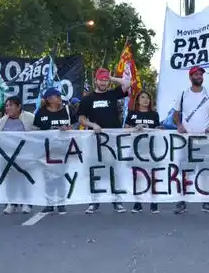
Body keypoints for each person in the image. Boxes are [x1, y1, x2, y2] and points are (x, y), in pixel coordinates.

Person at [78, 68, 131, 214]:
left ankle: (117, 200)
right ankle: (94, 201)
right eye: (101, 79)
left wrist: (112, 77)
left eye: (105, 80)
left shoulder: (113, 94)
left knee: (115, 170)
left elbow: (128, 83)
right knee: (95, 170)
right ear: (96, 80)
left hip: (113, 140)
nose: (103, 82)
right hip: (95, 140)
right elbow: (81, 118)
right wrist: (92, 125)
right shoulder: (87, 99)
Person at [172, 66, 209, 214]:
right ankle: (182, 201)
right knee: (185, 170)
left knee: (205, 170)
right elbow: (176, 113)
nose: (199, 76)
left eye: (201, 74)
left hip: (204, 140)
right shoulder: (183, 94)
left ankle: (206, 201)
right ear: (190, 77)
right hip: (187, 140)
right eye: (196, 74)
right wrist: (179, 125)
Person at [34, 87, 75, 215]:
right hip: (47, 149)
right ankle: (50, 203)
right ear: (48, 99)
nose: (56, 99)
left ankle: (61, 203)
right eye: (52, 97)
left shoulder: (68, 110)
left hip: (63, 149)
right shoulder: (41, 112)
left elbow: (76, 125)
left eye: (57, 96)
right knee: (48, 177)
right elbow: (35, 130)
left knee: (61, 176)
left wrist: (68, 128)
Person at [0, 96, 37, 215]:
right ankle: (11, 203)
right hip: (8, 156)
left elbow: (40, 133)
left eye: (11, 105)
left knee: (25, 179)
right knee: (10, 180)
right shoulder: (2, 120)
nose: (8, 108)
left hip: (25, 155)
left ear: (19, 107)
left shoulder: (30, 118)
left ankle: (27, 203)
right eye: (7, 105)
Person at [124, 90, 161, 213]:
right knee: (137, 177)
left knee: (152, 176)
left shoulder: (154, 114)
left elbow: (157, 129)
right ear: (138, 100)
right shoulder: (132, 114)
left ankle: (153, 202)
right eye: (143, 97)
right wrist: (135, 128)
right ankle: (137, 202)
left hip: (150, 149)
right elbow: (126, 129)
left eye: (147, 98)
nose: (145, 100)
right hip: (136, 150)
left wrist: (154, 129)